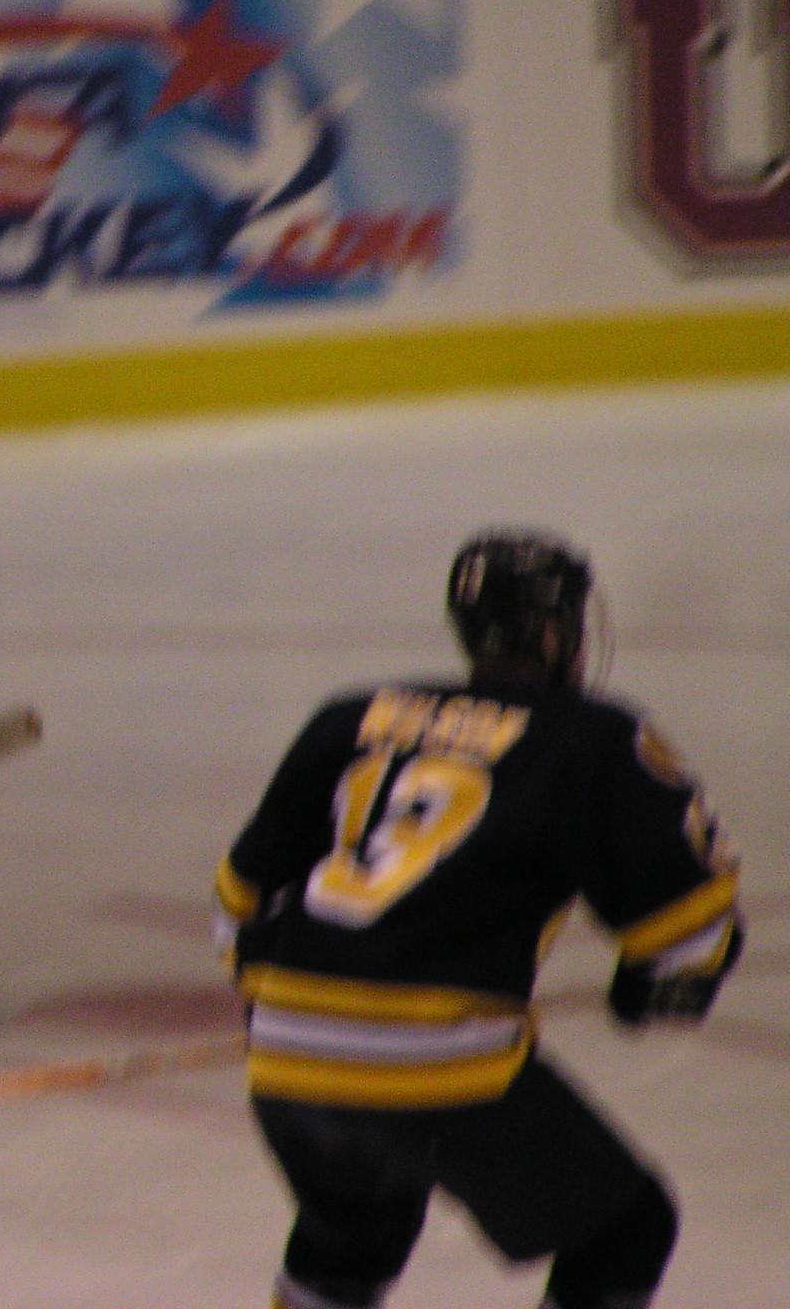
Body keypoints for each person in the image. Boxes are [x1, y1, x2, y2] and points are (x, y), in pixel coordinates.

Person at [215, 529, 744, 1309]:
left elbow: (240, 906)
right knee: (626, 1231)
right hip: (442, 1064)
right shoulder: (590, 736)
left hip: (285, 1057)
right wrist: (653, 991)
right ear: (559, 632)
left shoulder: (351, 716)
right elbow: (689, 933)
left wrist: (295, 1008)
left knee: (351, 1238)